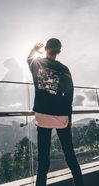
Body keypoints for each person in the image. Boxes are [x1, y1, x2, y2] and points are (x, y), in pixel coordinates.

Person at [27, 38, 84, 186]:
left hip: (43, 116)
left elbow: (29, 59)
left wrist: (34, 49)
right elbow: (69, 95)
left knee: (43, 160)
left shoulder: (38, 64)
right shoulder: (64, 70)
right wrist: (69, 119)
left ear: (45, 48)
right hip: (61, 116)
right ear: (59, 51)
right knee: (70, 155)